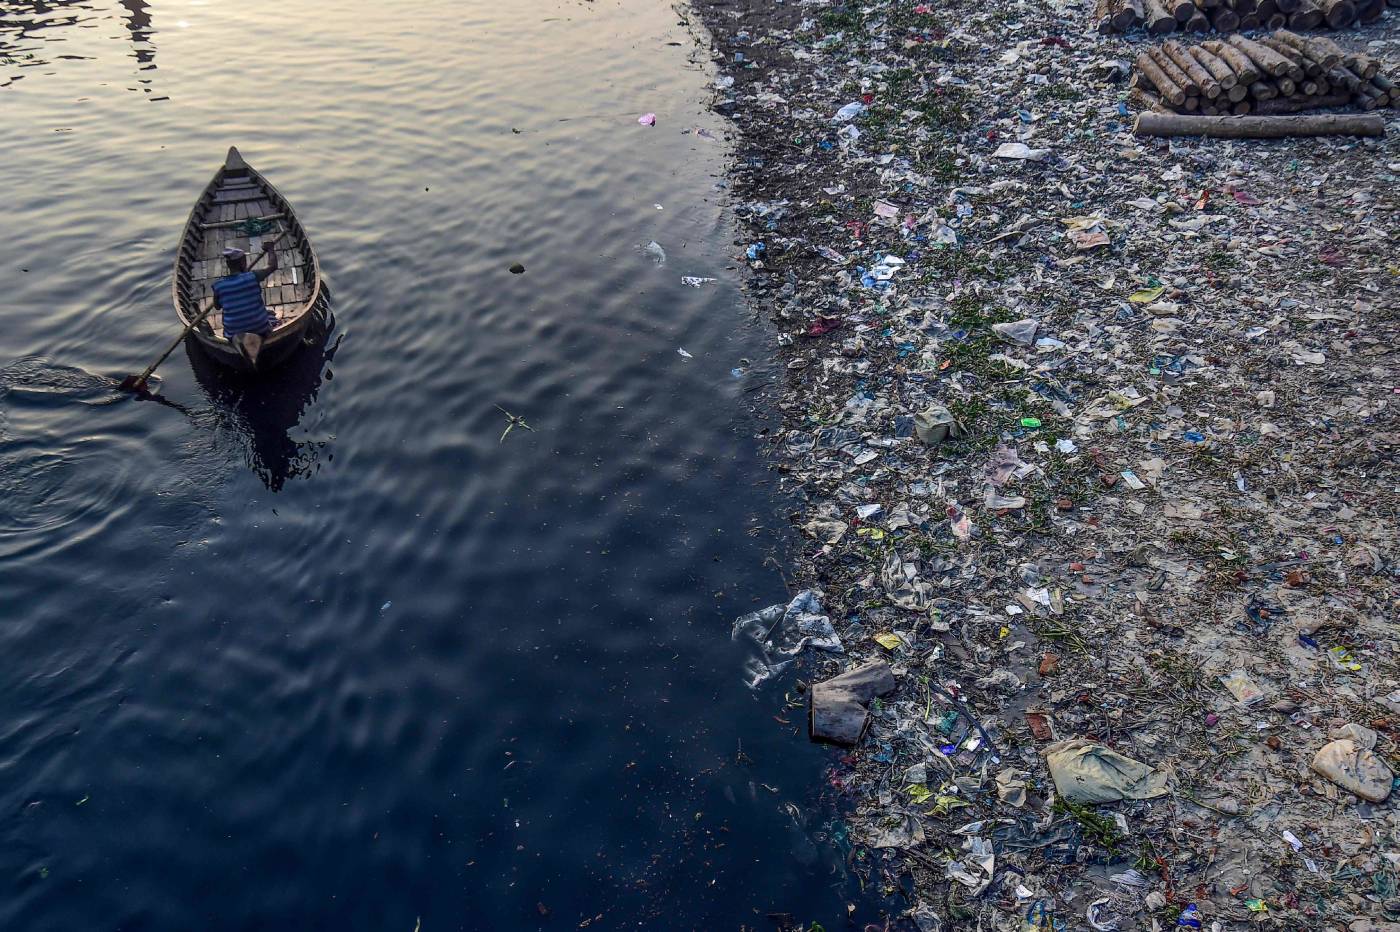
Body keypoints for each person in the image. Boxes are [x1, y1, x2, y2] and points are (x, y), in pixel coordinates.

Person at [212, 242, 279, 364]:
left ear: (228, 265)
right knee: (271, 315)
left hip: (233, 334)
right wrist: (270, 249)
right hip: (261, 329)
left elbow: (217, 307)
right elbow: (273, 265)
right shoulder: (253, 276)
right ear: (243, 263)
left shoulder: (218, 285)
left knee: (268, 313)